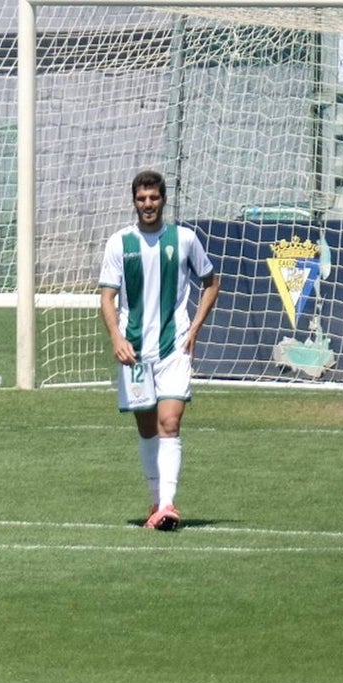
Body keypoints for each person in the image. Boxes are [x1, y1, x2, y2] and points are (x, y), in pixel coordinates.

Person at [98, 169, 220, 531]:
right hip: (134, 353)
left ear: (164, 200)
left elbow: (211, 282)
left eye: (153, 198)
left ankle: (168, 505)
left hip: (174, 347)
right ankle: (156, 499)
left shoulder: (184, 239)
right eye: (141, 199)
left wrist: (194, 329)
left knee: (170, 423)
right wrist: (117, 339)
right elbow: (107, 297)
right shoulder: (120, 243)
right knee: (148, 428)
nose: (148, 204)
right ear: (134, 202)